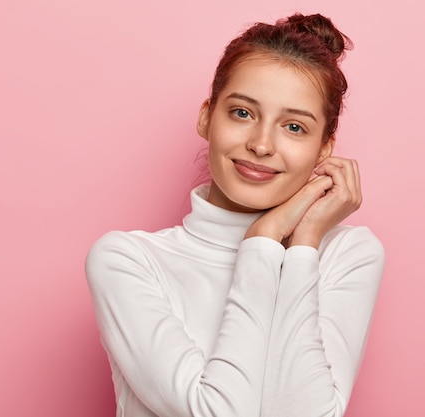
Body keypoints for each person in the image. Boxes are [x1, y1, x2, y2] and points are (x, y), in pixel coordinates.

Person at [85, 12, 385, 417]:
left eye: (294, 127)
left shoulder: (346, 253)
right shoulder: (126, 260)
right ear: (207, 116)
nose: (261, 145)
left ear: (325, 147)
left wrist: (301, 243)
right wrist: (264, 240)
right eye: (243, 113)